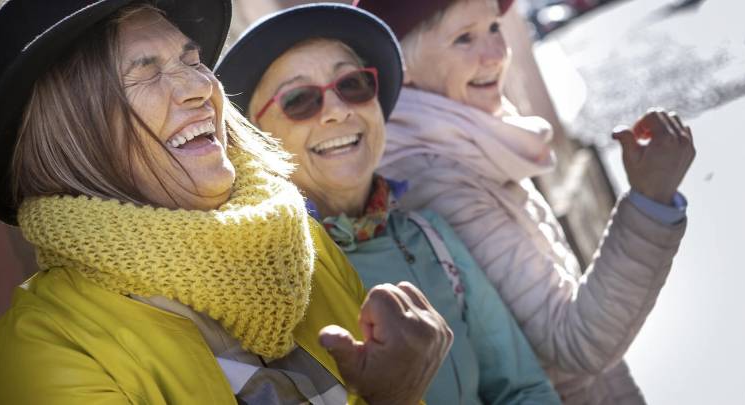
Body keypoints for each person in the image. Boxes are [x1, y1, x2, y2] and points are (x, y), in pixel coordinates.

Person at [0, 1, 454, 403]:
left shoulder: (296, 237)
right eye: (145, 73)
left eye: (191, 60)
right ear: (69, 134)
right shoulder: (48, 346)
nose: (202, 87)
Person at [215, 4, 560, 404]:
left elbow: (524, 389)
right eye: (299, 100)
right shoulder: (262, 293)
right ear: (256, 139)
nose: (339, 110)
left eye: (353, 84)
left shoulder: (430, 234)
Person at [355, 0, 697, 403]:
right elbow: (574, 344)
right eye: (464, 38)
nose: (496, 54)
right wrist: (650, 202)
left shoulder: (465, 137)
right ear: (403, 66)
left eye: (494, 28)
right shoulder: (437, 180)